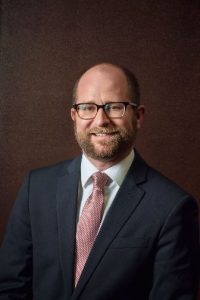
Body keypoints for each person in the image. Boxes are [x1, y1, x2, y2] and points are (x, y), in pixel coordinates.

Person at [0, 62, 199, 300]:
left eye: (115, 107)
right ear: (74, 116)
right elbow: (10, 287)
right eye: (87, 107)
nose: (101, 120)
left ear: (138, 116)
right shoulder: (37, 188)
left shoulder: (172, 207)